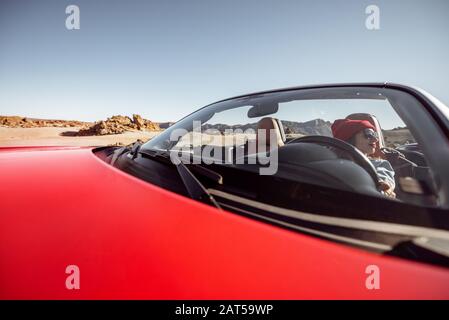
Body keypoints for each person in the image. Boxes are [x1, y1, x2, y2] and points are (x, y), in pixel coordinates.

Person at [331, 118, 396, 198]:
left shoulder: (379, 163)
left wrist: (382, 185)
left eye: (375, 134)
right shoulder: (330, 162)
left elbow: (384, 178)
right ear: (349, 138)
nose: (376, 139)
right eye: (369, 134)